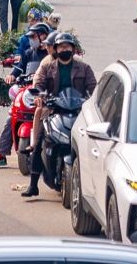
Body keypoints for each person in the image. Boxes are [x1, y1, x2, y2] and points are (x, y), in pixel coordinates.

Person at [21, 33, 97, 196]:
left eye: (67, 46)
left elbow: (93, 87)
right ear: (55, 49)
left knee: (95, 144)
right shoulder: (47, 67)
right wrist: (39, 97)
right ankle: (33, 185)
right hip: (53, 110)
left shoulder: (84, 68)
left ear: (73, 49)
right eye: (61, 46)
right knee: (38, 142)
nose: (64, 49)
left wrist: (96, 99)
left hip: (78, 112)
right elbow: (39, 84)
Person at [0, 22, 53, 167]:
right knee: (12, 117)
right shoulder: (29, 53)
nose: (31, 40)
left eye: (34, 36)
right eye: (30, 37)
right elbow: (19, 68)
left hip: (45, 95)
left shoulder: (51, 56)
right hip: (29, 91)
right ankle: (1, 154)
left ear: (43, 36)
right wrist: (12, 76)